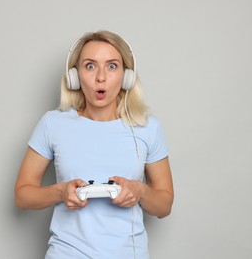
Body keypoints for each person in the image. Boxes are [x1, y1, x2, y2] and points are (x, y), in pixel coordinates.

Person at [15, 30, 174, 259]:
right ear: (74, 75)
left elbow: (164, 205)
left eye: (112, 66)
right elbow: (22, 195)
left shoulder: (148, 127)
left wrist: (140, 191)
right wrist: (61, 192)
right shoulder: (53, 124)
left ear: (127, 76)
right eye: (90, 66)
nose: (101, 77)